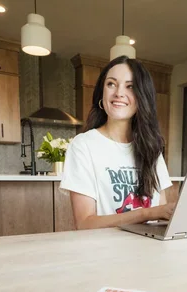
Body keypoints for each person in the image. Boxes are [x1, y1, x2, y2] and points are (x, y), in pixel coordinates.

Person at [60, 55, 176, 230]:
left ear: (141, 98)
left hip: (149, 250)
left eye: (130, 86)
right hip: (105, 253)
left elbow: (160, 217)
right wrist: (147, 213)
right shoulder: (83, 145)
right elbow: (84, 223)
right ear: (102, 93)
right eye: (111, 84)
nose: (119, 93)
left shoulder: (151, 147)